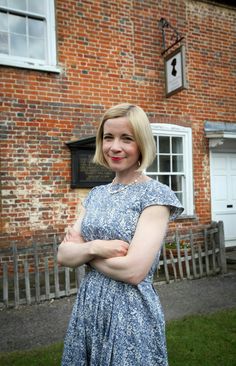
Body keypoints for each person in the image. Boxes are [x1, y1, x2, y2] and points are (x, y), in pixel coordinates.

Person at [57, 103, 183, 366]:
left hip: (131, 313)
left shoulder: (156, 196)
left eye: (126, 138)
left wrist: (82, 251)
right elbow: (63, 255)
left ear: (142, 143)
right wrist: (96, 248)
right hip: (89, 306)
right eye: (108, 137)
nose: (115, 147)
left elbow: (134, 271)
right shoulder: (96, 194)